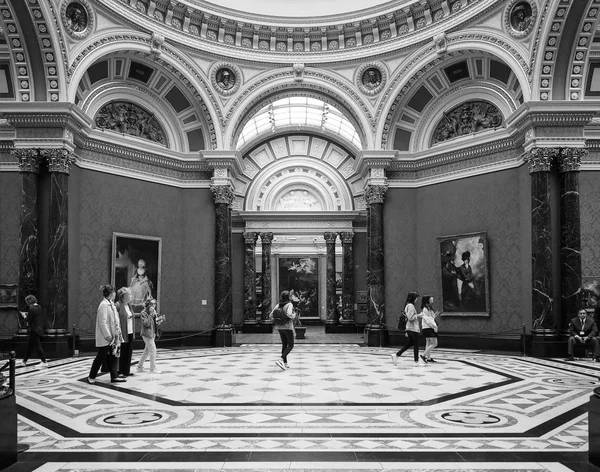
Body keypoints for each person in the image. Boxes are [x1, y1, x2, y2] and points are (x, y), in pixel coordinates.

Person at [88, 285, 125, 384]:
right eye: (113, 292)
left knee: (113, 356)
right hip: (107, 337)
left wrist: (118, 333)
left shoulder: (111, 304)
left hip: (114, 336)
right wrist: (107, 335)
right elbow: (102, 322)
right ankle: (91, 376)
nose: (115, 294)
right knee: (101, 356)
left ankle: (114, 376)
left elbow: (116, 320)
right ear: (110, 293)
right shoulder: (103, 305)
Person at [391, 291, 421, 365]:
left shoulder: (407, 305)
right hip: (412, 328)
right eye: (416, 297)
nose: (417, 299)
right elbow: (410, 318)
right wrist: (418, 315)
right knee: (416, 344)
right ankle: (416, 361)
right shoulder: (411, 306)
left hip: (409, 328)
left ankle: (397, 355)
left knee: (410, 343)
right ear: (413, 298)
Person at [269, 290, 296, 370]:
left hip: (279, 327)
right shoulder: (289, 304)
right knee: (291, 345)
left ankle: (285, 363)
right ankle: (281, 359)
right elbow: (289, 314)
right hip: (287, 327)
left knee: (284, 344)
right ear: (288, 297)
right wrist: (294, 315)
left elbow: (271, 315)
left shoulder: (278, 305)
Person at [137, 298, 164, 374]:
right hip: (147, 334)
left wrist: (159, 319)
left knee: (146, 351)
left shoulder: (154, 312)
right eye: (151, 304)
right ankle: (152, 369)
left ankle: (139, 366)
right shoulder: (143, 313)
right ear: (148, 304)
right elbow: (146, 324)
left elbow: (156, 322)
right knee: (153, 350)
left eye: (154, 304)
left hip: (153, 333)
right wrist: (151, 314)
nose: (153, 306)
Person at [20, 295, 48, 368]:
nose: (27, 303)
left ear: (29, 301)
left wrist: (24, 316)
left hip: (34, 330)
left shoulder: (31, 308)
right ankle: (24, 361)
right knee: (31, 346)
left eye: (27, 302)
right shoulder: (39, 307)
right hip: (39, 329)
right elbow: (35, 317)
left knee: (38, 346)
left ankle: (44, 361)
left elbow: (29, 320)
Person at [116, 287, 136, 378]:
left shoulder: (129, 305)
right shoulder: (118, 305)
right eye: (130, 295)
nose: (131, 296)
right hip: (122, 333)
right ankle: (120, 371)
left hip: (130, 332)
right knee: (122, 352)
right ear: (123, 296)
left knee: (129, 352)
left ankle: (126, 371)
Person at [419, 295, 441, 363]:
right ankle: (423, 355)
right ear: (427, 300)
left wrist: (435, 315)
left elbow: (431, 318)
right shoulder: (425, 309)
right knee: (434, 343)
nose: (432, 299)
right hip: (428, 328)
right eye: (430, 298)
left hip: (426, 327)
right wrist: (434, 326)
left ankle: (428, 358)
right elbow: (428, 320)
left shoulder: (428, 308)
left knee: (428, 343)